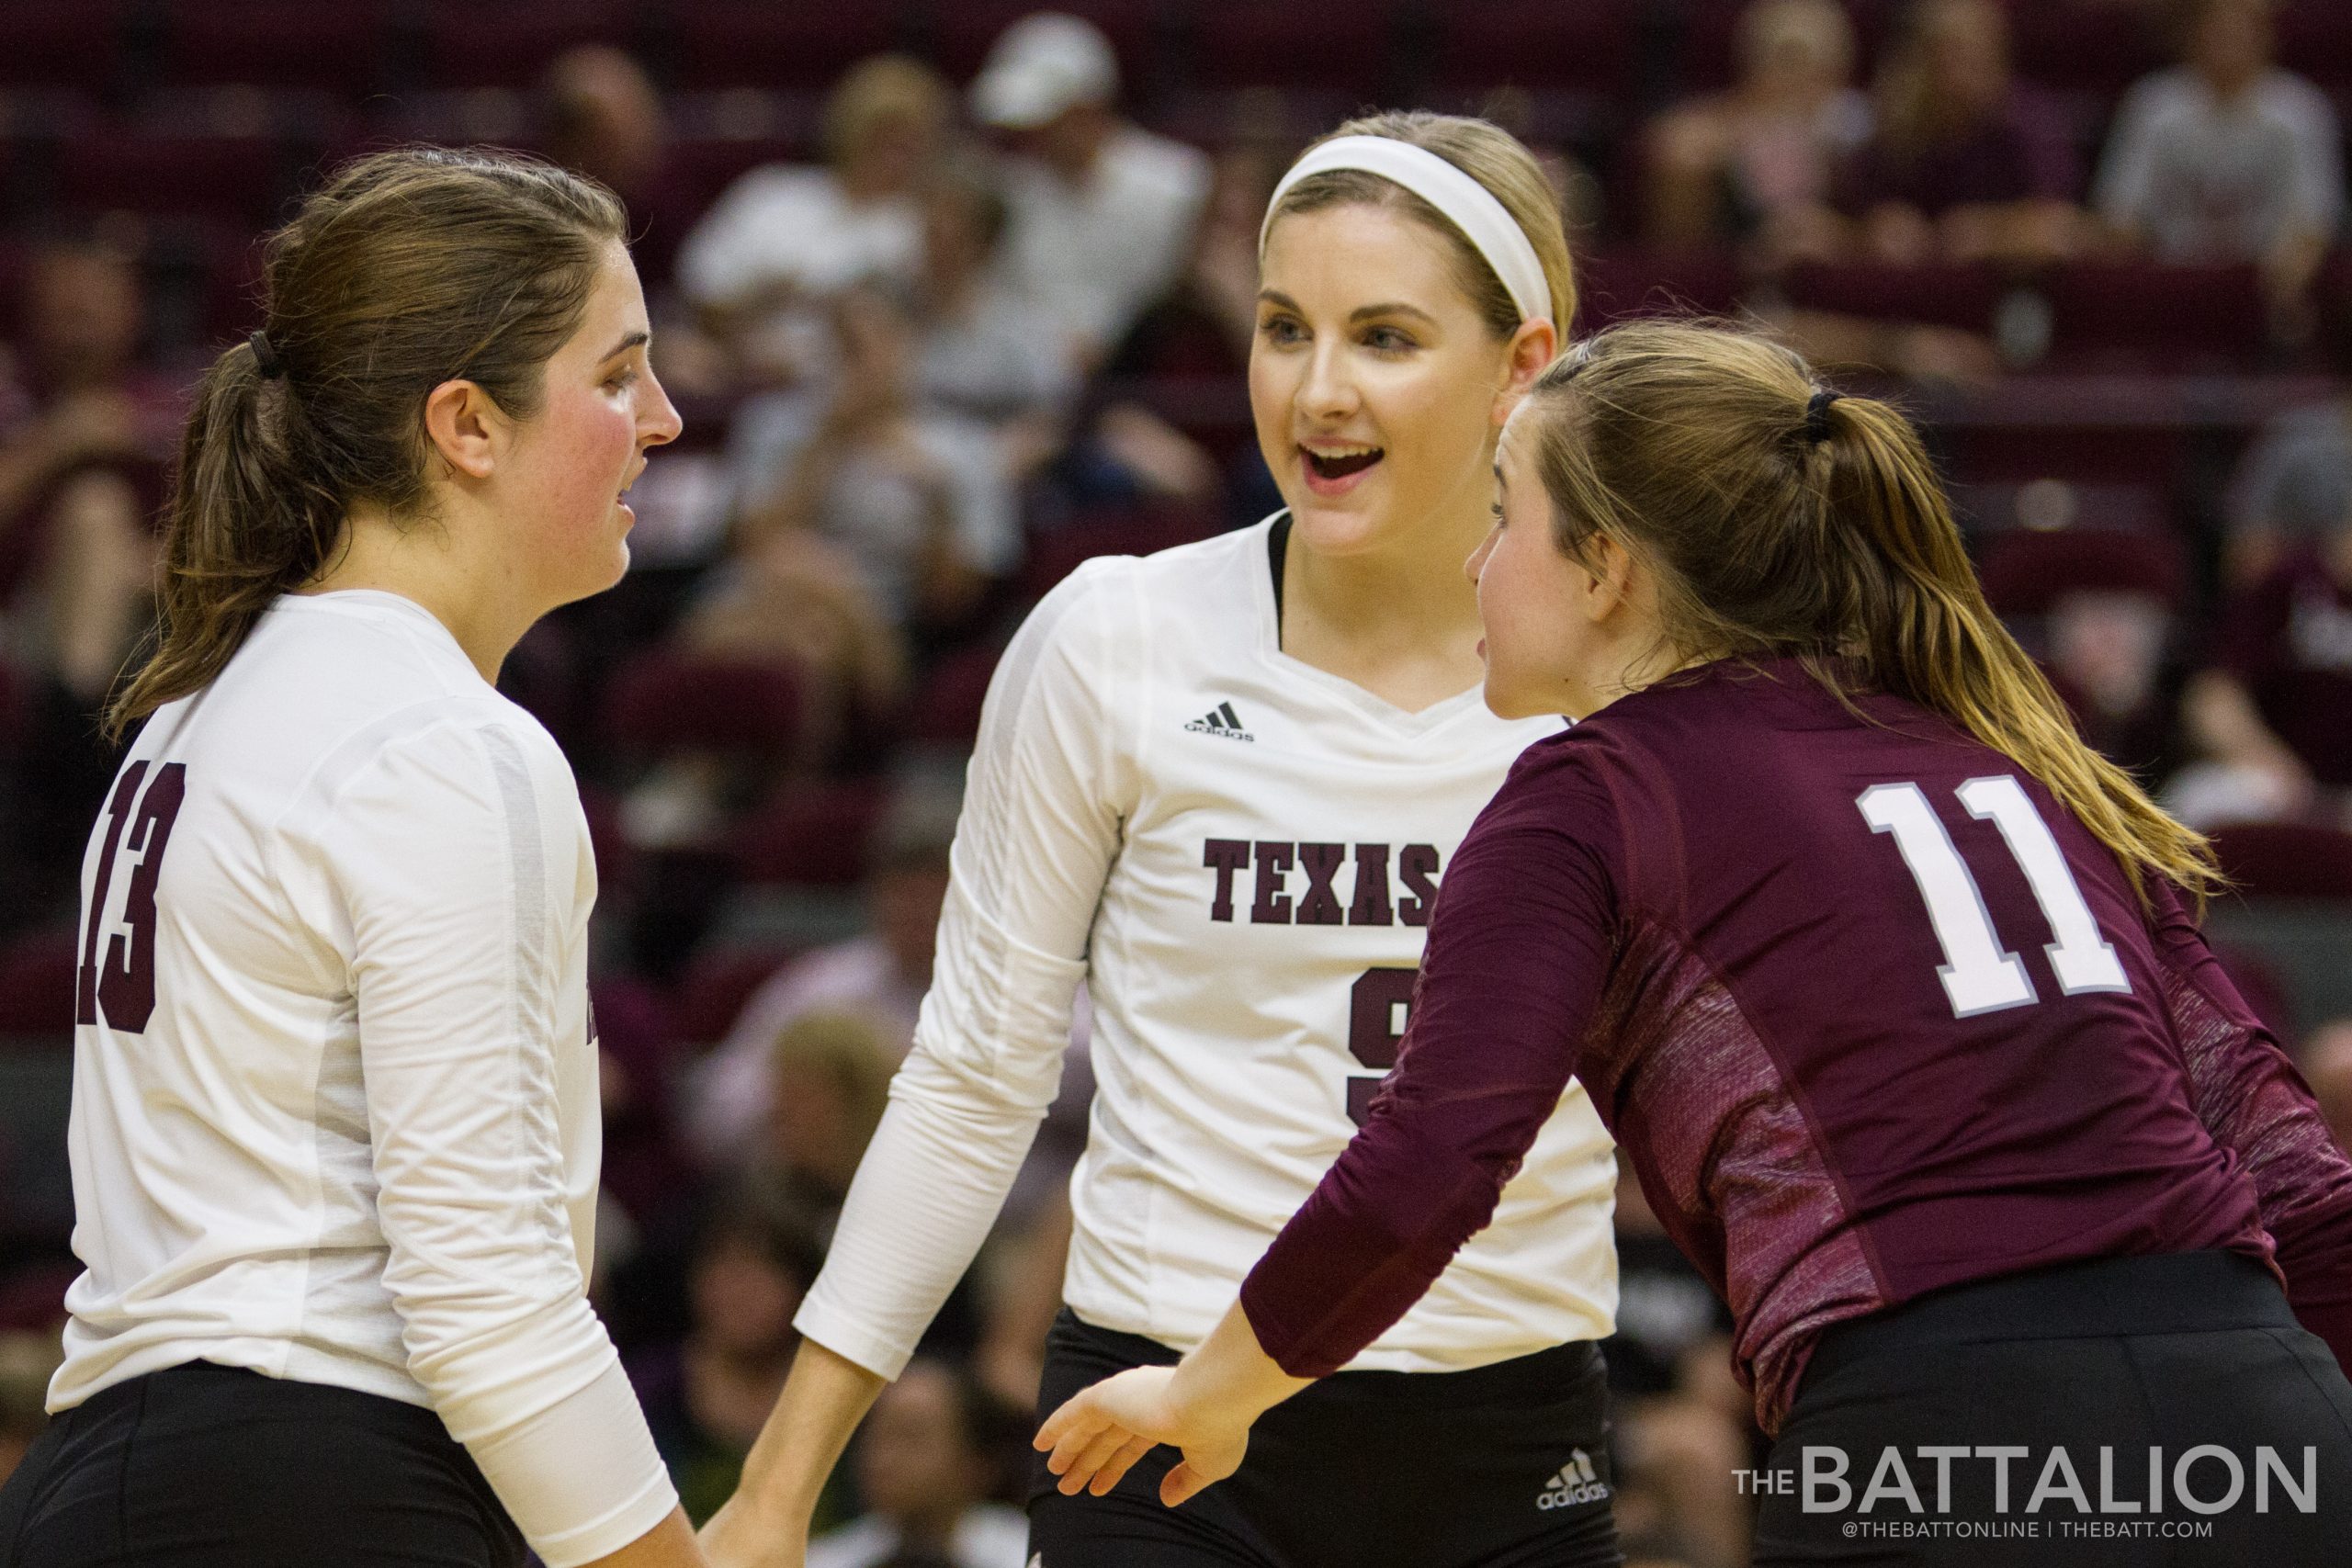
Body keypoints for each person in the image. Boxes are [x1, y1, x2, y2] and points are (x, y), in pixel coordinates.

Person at [1039, 320, 2352, 1566]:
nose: (1474, 561)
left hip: (1943, 1430)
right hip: (2266, 1409)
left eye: (1507, 515)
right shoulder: (2015, 750)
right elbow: (2287, 1160)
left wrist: (1212, 1392)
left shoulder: (1592, 790)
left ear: (1606, 566)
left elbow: (1434, 1152)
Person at [699, 112, 1622, 1568]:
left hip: (1504, 1430)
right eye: (1282, 328)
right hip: (1154, 1417)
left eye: (1385, 336)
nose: (1318, 392)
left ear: (1525, 362)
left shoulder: (1629, 685)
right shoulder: (1116, 638)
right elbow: (969, 1081)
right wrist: (782, 1479)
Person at [0, 149, 704, 1568]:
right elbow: (488, 1289)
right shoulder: (441, 739)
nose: (666, 419)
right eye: (618, 375)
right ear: (467, 425)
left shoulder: (194, 713)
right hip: (324, 1480)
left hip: (93, 1484)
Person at [969, 12, 1212, 370]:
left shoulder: (1180, 186)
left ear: (1089, 108)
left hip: (1145, 377)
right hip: (1028, 379)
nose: (1034, 135)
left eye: (1048, 119)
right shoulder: (1005, 191)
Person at [2095, 0, 2342, 324]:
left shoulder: (2299, 113)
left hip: (2262, 292)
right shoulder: (2153, 108)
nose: (2230, 38)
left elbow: (2315, 224)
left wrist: (2288, 278)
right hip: (2169, 289)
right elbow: (2120, 217)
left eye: (2243, 27)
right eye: (2218, 28)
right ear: (2193, 34)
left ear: (2266, 36)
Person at [1832, 0, 2083, 268]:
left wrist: (1993, 234)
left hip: (2007, 295)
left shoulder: (2027, 123)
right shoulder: (1899, 126)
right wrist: (1872, 230)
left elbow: (2065, 226)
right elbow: (1847, 215)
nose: (1968, 68)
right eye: (1954, 53)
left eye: (1980, 52)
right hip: (1910, 290)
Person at [1643, 0, 1870, 263]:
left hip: (1832, 264)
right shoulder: (1727, 119)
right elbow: (1672, 143)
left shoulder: (1858, 123)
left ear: (1838, 69)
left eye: (1807, 61)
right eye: (1783, 59)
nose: (1793, 75)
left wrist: (1840, 232)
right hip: (1740, 260)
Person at [806, 1360, 1027, 1568]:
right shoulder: (825, 1559)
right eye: (877, 1436)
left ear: (977, 1463)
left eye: (910, 1437)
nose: (883, 1459)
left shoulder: (1029, 1555)